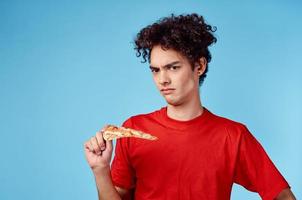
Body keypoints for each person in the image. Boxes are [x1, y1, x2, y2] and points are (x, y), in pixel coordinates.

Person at [84, 13, 296, 200]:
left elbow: (282, 196)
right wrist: (100, 170)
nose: (162, 79)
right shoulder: (134, 129)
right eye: (155, 70)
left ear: (199, 66)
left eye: (173, 67)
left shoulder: (233, 136)